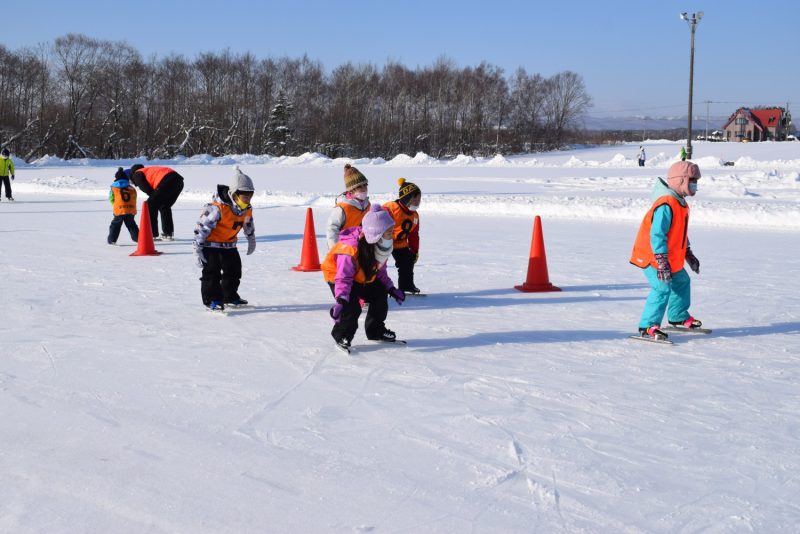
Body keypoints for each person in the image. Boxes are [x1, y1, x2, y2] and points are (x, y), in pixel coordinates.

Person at [630, 161, 703, 340]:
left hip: (670, 258)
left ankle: (678, 316)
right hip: (653, 257)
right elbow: (657, 235)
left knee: (682, 281)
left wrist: (688, 253)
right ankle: (648, 325)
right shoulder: (666, 204)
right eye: (692, 180)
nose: (695, 184)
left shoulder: (680, 203)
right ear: (680, 180)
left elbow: (680, 232)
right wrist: (662, 262)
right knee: (662, 288)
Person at [322, 204, 405, 351]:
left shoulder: (380, 246)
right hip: (338, 276)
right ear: (377, 234)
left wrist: (390, 288)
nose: (391, 235)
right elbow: (344, 277)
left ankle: (375, 330)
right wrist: (341, 299)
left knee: (379, 293)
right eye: (388, 232)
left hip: (361, 275)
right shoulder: (350, 249)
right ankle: (342, 334)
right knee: (352, 306)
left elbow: (380, 272)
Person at [192, 166, 256, 312]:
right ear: (234, 194)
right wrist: (197, 248)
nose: (248, 199)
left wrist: (251, 239)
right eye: (244, 196)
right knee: (212, 273)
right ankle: (212, 299)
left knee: (234, 271)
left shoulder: (247, 209)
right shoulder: (217, 208)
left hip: (229, 246)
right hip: (210, 246)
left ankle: (229, 296)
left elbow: (248, 224)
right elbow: (201, 229)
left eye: (250, 195)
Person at [383, 178, 422, 294]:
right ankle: (376, 289)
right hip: (384, 241)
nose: (417, 202)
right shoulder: (391, 208)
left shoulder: (415, 216)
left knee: (407, 262)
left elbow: (414, 235)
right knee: (378, 266)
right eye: (414, 199)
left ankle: (406, 286)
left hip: (400, 244)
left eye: (419, 199)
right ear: (406, 199)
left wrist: (414, 251)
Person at [127, 164, 184, 240]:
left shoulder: (137, 173)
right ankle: (168, 233)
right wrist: (156, 196)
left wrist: (154, 197)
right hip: (178, 181)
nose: (132, 183)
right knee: (164, 206)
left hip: (167, 181)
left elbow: (146, 189)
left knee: (150, 205)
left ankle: (152, 234)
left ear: (132, 173)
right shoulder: (148, 170)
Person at [326, 164, 370, 249]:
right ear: (351, 189)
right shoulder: (342, 207)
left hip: (360, 246)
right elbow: (332, 228)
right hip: (343, 248)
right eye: (359, 186)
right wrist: (335, 249)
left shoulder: (367, 204)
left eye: (365, 185)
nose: (364, 188)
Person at [107, 167, 139, 245]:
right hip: (131, 209)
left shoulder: (113, 188)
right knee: (131, 225)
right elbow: (134, 198)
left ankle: (112, 240)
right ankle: (138, 239)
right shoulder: (131, 188)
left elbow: (111, 199)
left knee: (115, 225)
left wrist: (115, 205)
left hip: (119, 210)